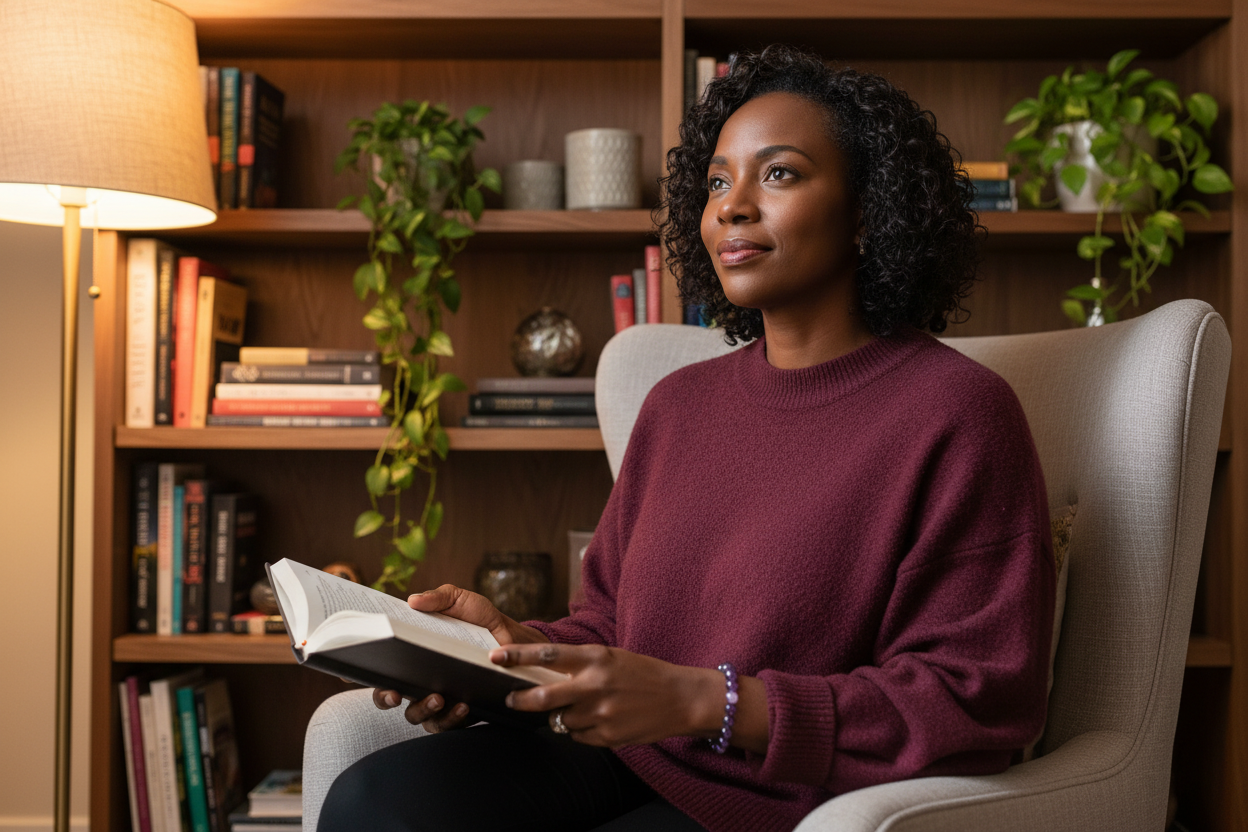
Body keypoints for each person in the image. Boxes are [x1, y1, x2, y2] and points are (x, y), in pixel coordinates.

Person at [317, 44, 1055, 832]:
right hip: (625, 752)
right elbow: (609, 625)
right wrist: (502, 649)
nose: (733, 207)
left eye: (779, 173)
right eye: (717, 183)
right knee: (375, 801)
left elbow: (972, 696)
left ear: (869, 211)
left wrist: (709, 700)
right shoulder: (679, 405)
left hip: (789, 794)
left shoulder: (958, 412)